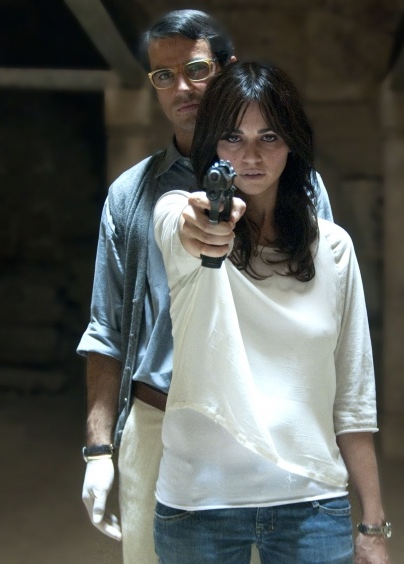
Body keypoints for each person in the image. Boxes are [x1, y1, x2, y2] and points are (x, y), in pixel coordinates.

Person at [76, 10, 334, 563]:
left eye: (195, 69)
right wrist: (99, 449)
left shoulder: (299, 185)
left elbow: (324, 311)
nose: (182, 89)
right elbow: (107, 329)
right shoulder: (131, 195)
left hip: (271, 424)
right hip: (160, 419)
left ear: (225, 68)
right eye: (163, 76)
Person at [151, 61, 390, 564]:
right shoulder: (180, 214)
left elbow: (353, 394)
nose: (251, 156)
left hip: (313, 500)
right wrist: (205, 228)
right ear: (211, 144)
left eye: (269, 136)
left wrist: (373, 524)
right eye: (232, 137)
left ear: (292, 143)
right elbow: (181, 225)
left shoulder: (334, 248)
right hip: (200, 502)